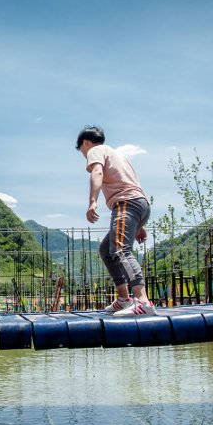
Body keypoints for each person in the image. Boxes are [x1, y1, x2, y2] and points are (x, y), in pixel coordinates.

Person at [76, 125, 157, 317]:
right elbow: (131, 182)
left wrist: (92, 201)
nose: (84, 154)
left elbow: (97, 173)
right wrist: (139, 223)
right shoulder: (120, 155)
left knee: (120, 250)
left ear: (85, 143)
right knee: (106, 250)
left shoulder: (95, 150)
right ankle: (123, 299)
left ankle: (143, 302)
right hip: (139, 204)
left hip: (126, 204)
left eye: (81, 150)